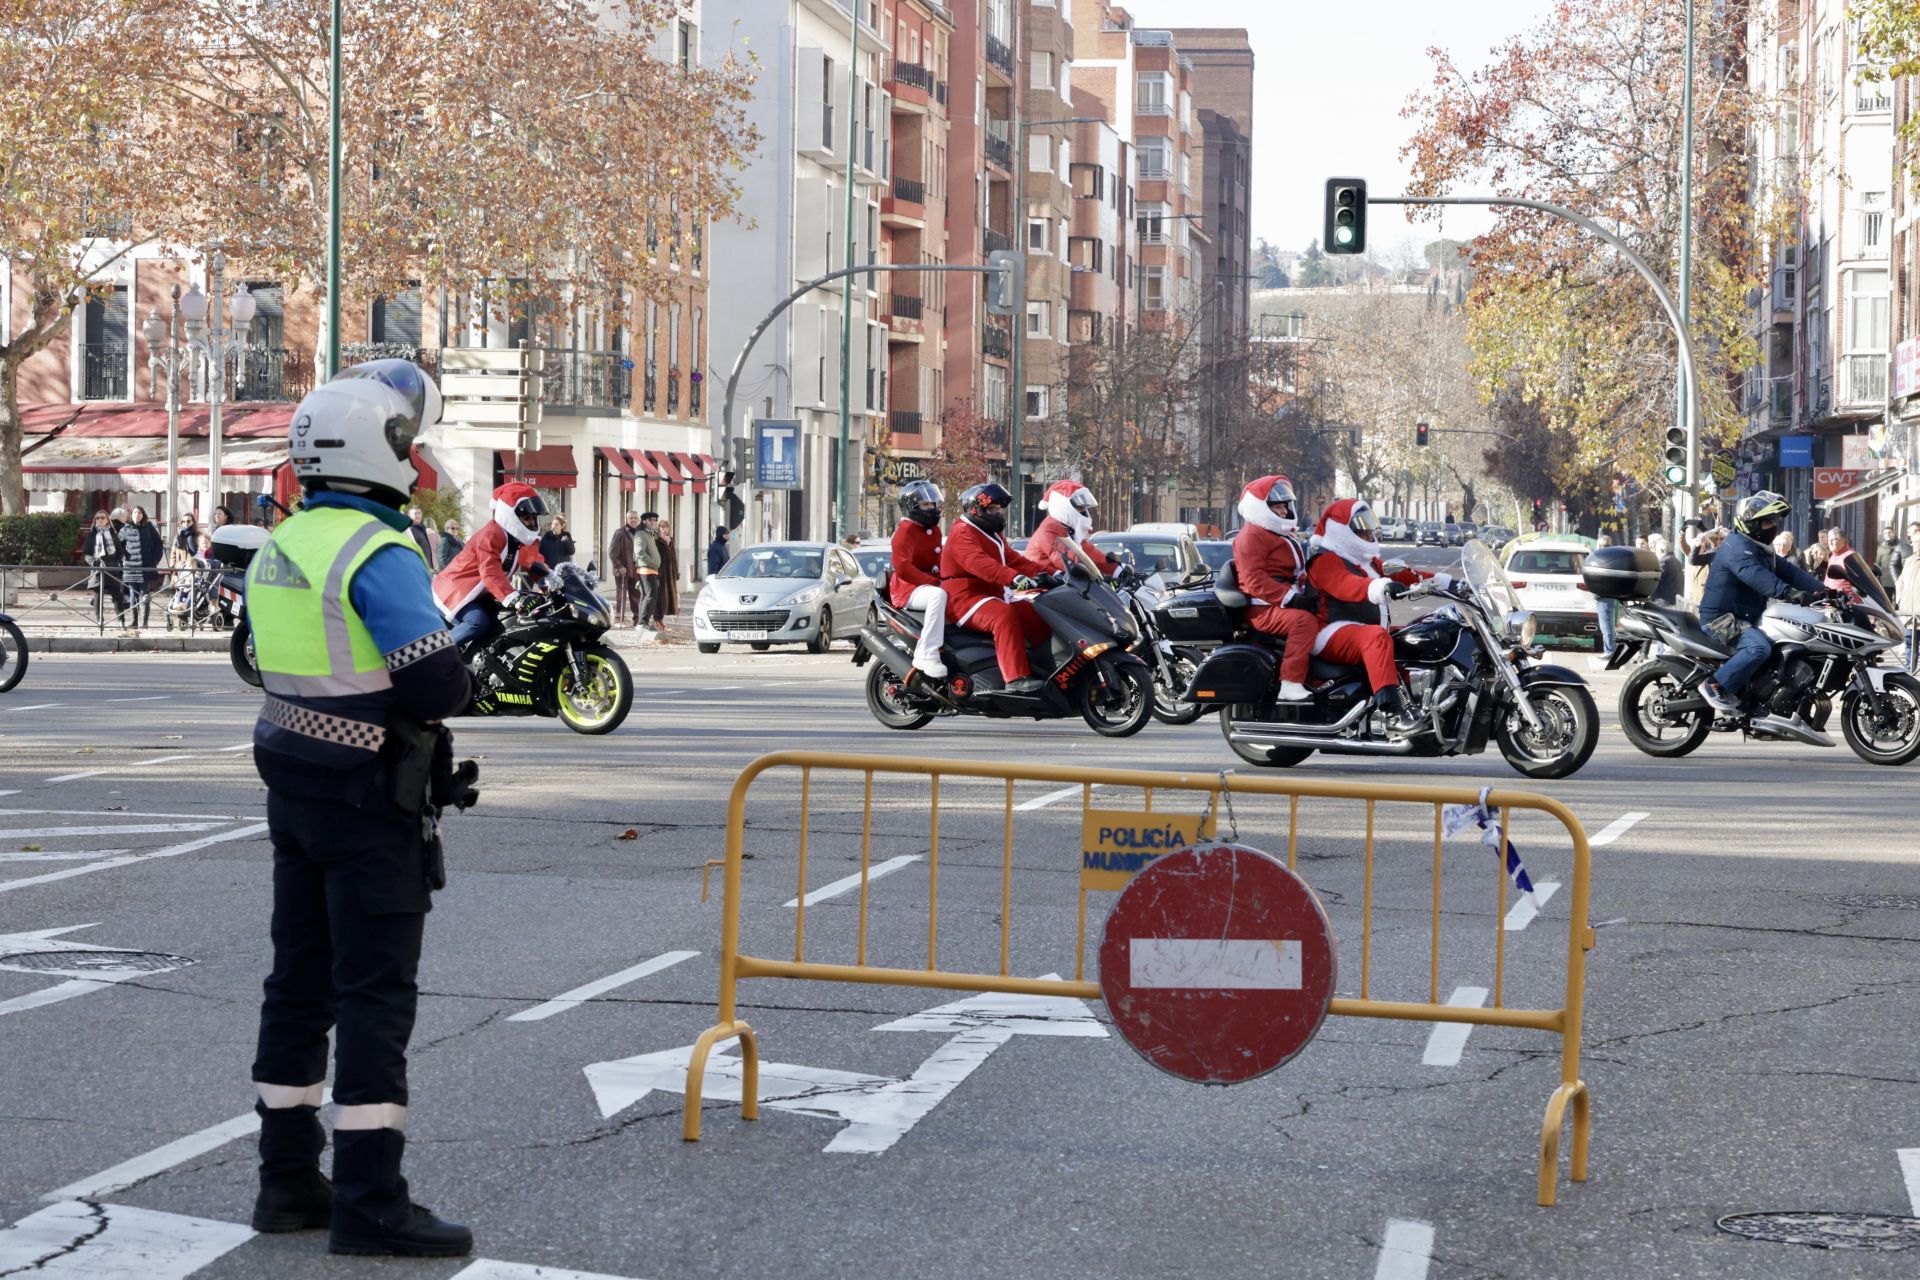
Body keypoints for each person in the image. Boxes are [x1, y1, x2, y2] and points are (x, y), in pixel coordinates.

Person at [245, 359, 474, 1258]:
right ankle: (372, 1201)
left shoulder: (285, 542)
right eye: (406, 445)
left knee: (296, 987)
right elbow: (435, 683)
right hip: (371, 799)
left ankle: (286, 1183)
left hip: (294, 790)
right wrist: (461, 668)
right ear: (376, 450)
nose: (415, 461)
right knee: (375, 998)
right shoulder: (377, 551)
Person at [1304, 498, 1451, 735]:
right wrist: (1379, 586)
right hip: (1330, 631)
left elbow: (1404, 575)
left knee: (1416, 635)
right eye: (1361, 528)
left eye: (1369, 526)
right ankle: (1392, 712)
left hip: (1358, 628)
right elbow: (1345, 584)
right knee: (1376, 638)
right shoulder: (1325, 559)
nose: (1368, 533)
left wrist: (1448, 583)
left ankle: (1418, 705)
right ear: (1342, 530)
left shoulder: (1366, 561)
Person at [1696, 491, 1828, 721]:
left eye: (1774, 522)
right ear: (1751, 523)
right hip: (1722, 619)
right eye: (1767, 522)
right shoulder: (1737, 547)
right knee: (1758, 648)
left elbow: (1792, 572)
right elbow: (1755, 575)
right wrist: (1789, 593)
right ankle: (1714, 685)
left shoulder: (1762, 549)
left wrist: (1825, 591)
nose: (1772, 527)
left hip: (1747, 617)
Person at [939, 482, 1055, 693]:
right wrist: (1014, 578)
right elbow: (979, 563)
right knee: (1003, 615)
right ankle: (1016, 678)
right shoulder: (962, 533)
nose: (999, 513)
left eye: (1000, 509)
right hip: (964, 598)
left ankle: (1045, 666)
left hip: (991, 594)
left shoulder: (991, 533)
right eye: (993, 509)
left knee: (1035, 610)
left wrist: (1052, 574)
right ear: (976, 509)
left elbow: (1016, 561)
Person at [1230, 475, 1320, 701]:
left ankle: (1319, 677)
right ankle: (1290, 683)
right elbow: (1254, 580)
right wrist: (1291, 599)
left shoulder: (1278, 533)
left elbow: (1296, 572)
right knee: (1303, 622)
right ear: (1261, 507)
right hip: (1262, 607)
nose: (1283, 511)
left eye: (1284, 506)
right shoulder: (1251, 535)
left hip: (1279, 601)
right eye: (1277, 506)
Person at [433, 481, 549, 651]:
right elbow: (490, 571)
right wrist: (513, 598)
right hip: (454, 590)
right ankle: (437, 652)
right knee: (477, 621)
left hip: (477, 593)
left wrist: (555, 582)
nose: (531, 522)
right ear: (511, 514)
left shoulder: (519, 539)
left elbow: (534, 562)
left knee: (504, 619)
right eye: (526, 517)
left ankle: (483, 659)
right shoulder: (491, 534)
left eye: (533, 518)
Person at [889, 480, 949, 679]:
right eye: (925, 504)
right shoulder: (905, 531)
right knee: (938, 595)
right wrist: (935, 582)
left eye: (933, 503)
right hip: (908, 589)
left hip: (928, 583)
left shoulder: (934, 530)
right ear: (911, 507)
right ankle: (928, 653)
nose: (931, 508)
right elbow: (903, 568)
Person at [1025, 480, 1118, 576]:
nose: (1083, 511)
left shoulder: (1068, 530)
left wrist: (1116, 569)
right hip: (1040, 582)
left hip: (1060, 581)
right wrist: (1089, 572)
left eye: (1084, 507)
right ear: (1063, 505)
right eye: (1079, 507)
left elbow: (1088, 552)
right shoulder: (1049, 530)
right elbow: (1065, 559)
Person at [119, 506, 164, 631]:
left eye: (139, 513)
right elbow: (117, 544)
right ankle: (134, 621)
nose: (137, 515)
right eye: (135, 512)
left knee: (144, 594)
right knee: (133, 595)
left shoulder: (149, 527)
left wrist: (155, 559)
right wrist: (122, 555)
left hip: (146, 566)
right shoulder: (125, 528)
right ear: (131, 515)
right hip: (130, 566)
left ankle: (144, 622)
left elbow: (158, 544)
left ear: (143, 515)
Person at [86, 510, 128, 628]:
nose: (100, 520)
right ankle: (100, 621)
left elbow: (119, 551)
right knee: (98, 596)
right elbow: (86, 553)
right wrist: (92, 562)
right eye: (97, 518)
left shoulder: (113, 534)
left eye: (102, 518)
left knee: (117, 596)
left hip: (112, 568)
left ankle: (121, 621)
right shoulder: (92, 535)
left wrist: (119, 561)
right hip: (98, 569)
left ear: (107, 520)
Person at [609, 511, 641, 624]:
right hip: (623, 569)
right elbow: (612, 552)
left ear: (638, 519)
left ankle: (637, 619)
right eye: (631, 518)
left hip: (635, 568)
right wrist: (619, 566)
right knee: (621, 595)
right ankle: (619, 618)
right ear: (627, 519)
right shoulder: (620, 533)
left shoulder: (640, 533)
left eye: (635, 518)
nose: (633, 520)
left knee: (636, 595)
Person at [633, 512, 662, 629]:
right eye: (651, 520)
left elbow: (658, 537)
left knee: (646, 596)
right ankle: (642, 623)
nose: (653, 522)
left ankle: (641, 622)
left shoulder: (649, 533)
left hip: (650, 569)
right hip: (647, 569)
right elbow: (640, 553)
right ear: (644, 521)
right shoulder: (640, 534)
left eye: (655, 520)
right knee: (651, 596)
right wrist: (653, 563)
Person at [1591, 534, 1618, 656]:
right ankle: (1609, 649)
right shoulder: (1612, 556)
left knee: (1606, 624)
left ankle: (1609, 650)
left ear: (1601, 545)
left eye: (1598, 545)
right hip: (1607, 594)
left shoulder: (1603, 558)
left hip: (1604, 595)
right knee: (1607, 624)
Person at [650, 521, 680, 624]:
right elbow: (654, 557)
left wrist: (676, 572)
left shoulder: (670, 539)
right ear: (659, 528)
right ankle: (656, 619)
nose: (665, 529)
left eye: (666, 527)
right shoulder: (656, 540)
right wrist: (657, 571)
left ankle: (661, 619)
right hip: (661, 572)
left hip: (670, 572)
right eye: (662, 527)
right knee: (660, 597)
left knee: (669, 597)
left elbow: (673, 557)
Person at [1822, 527, 1861, 598]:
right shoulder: (1832, 556)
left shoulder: (1850, 556)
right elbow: (1828, 578)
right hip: (1831, 598)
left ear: (1843, 540)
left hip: (1845, 599)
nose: (1830, 543)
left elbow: (1858, 581)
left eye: (1834, 539)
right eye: (1829, 540)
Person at [1648, 533, 1683, 605]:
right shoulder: (1675, 560)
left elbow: (1652, 577)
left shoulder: (1664, 561)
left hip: (1664, 602)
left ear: (1661, 550)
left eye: (1656, 549)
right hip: (1674, 601)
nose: (1655, 551)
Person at [1875, 524, 1907, 593]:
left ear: (1893, 534)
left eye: (1889, 532)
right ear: (1884, 535)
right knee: (1887, 599)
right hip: (1885, 581)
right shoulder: (1881, 548)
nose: (1888, 534)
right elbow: (1877, 564)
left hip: (1898, 579)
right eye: (1885, 533)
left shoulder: (1900, 546)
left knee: (1898, 599)